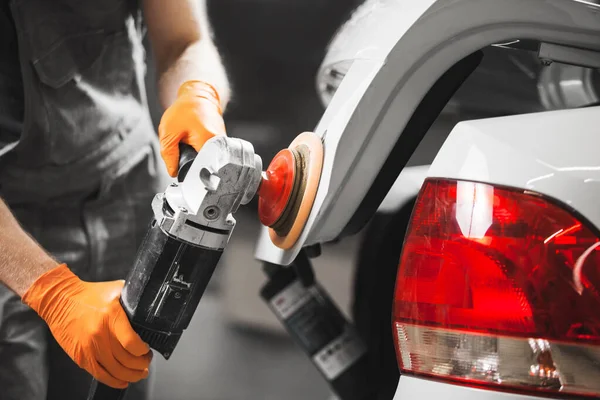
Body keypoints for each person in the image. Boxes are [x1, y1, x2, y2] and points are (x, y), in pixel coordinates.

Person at [0, 0, 229, 399]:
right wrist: (51, 292)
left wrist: (199, 93)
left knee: (117, 377)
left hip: (126, 191)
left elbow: (184, 40)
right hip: (9, 223)